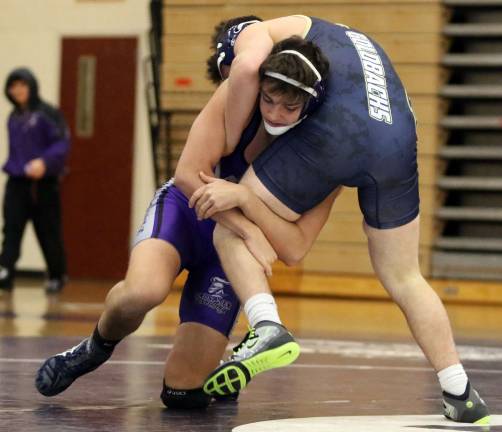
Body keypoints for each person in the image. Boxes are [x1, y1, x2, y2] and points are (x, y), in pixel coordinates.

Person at [191, 16, 490, 425]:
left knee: (230, 225)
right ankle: (459, 390)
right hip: (397, 137)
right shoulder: (325, 31)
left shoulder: (247, 41)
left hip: (338, 133)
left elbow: (244, 69)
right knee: (404, 277)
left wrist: (232, 148)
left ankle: (266, 325)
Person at [34, 33, 335, 409]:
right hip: (187, 211)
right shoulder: (236, 95)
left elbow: (295, 247)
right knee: (143, 291)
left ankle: (217, 372)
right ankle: (95, 347)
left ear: (310, 105)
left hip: (226, 253)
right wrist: (246, 227)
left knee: (182, 395)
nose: (274, 114)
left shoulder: (324, 152)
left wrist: (243, 203)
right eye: (269, 100)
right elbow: (189, 176)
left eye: (288, 108)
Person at [0, 68, 69, 294]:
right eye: (13, 86)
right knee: (11, 229)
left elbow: (61, 144)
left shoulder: (48, 113)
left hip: (43, 185)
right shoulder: (13, 117)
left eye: (22, 85)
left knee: (48, 231)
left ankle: (57, 275)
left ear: (31, 86)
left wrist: (45, 162)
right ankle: (5, 272)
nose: (17, 90)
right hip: (17, 182)